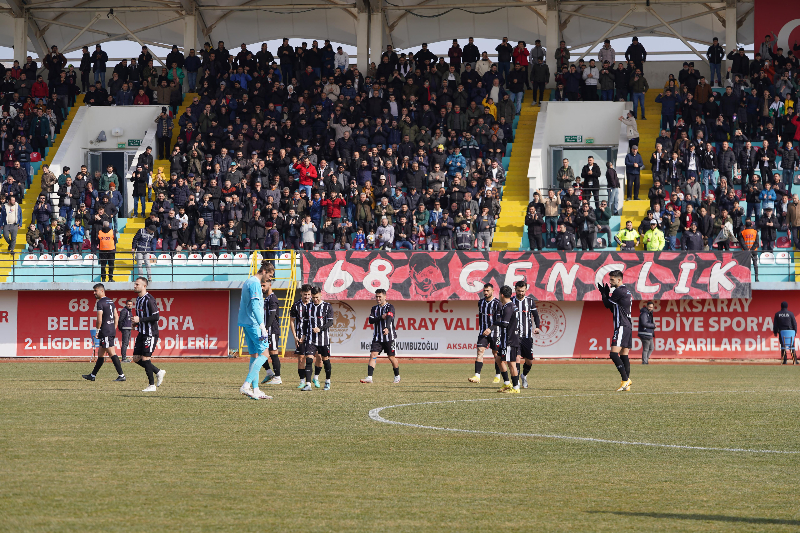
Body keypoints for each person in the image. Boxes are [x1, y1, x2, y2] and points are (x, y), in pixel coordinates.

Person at [236, 262, 272, 400]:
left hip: (246, 322)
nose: (269, 279)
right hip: (253, 323)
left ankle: (256, 389)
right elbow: (256, 307)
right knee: (265, 353)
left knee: (254, 355)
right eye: (269, 275)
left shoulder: (247, 281)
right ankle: (246, 385)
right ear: (263, 271)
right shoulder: (256, 283)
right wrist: (262, 326)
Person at [81, 283, 125, 382]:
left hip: (105, 331)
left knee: (112, 353)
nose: (94, 293)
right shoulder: (111, 301)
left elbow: (99, 320)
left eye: (95, 291)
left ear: (101, 291)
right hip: (109, 330)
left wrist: (98, 330)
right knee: (100, 354)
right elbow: (116, 316)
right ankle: (92, 375)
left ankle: (121, 375)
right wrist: (113, 327)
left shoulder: (100, 302)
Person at [597, 270, 632, 391]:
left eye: (612, 279)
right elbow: (614, 308)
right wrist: (606, 294)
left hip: (621, 325)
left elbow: (607, 304)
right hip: (628, 325)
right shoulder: (626, 291)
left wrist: (604, 294)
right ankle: (626, 383)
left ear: (619, 280)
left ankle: (625, 379)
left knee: (613, 354)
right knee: (624, 355)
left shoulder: (619, 290)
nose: (610, 281)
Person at [132, 277, 166, 393]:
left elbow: (156, 317)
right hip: (141, 332)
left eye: (137, 284)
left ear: (144, 286)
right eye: (135, 284)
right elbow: (139, 318)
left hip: (150, 333)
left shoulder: (149, 299)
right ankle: (158, 371)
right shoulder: (138, 299)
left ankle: (151, 385)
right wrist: (135, 324)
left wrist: (140, 319)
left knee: (146, 358)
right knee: (136, 358)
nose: (134, 286)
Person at [361, 288, 400, 384]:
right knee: (373, 355)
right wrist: (380, 317)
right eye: (377, 296)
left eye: (380, 296)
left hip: (389, 337)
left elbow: (390, 317)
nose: (378, 298)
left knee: (391, 357)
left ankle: (397, 376)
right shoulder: (374, 308)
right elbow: (371, 320)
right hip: (377, 337)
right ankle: (369, 377)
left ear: (385, 296)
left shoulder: (390, 307)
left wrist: (387, 328)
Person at [302, 286, 334, 391]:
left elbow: (330, 322)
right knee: (309, 360)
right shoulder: (308, 307)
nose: (315, 299)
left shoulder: (327, 306)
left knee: (325, 360)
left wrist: (320, 329)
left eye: (316, 297)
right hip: (311, 339)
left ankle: (327, 382)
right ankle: (308, 384)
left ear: (321, 294)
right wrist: (303, 334)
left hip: (323, 339)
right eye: (313, 297)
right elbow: (306, 322)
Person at [468, 283, 500, 384]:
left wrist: (490, 329)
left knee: (496, 354)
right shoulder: (480, 302)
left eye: (488, 291)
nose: (485, 293)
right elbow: (481, 316)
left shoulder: (497, 303)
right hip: (483, 332)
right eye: (484, 291)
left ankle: (498, 375)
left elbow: (499, 319)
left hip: (495, 332)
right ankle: (477, 376)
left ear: (492, 291)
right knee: (480, 351)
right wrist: (482, 329)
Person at [512, 280, 541, 389]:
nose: (521, 293)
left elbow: (536, 316)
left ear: (526, 290)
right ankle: (517, 382)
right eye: (519, 291)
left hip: (527, 336)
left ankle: (523, 376)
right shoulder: (511, 301)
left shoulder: (530, 301)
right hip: (515, 336)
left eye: (523, 291)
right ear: (515, 290)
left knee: (529, 360)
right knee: (517, 358)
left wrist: (537, 327)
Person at [494, 285, 520, 394]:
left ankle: (516, 387)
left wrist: (495, 322)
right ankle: (506, 382)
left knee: (511, 364)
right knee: (498, 359)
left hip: (509, 340)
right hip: (507, 339)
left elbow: (505, 324)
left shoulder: (509, 307)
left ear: (502, 295)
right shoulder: (510, 305)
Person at [290, 284, 313, 389]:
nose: (307, 297)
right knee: (301, 359)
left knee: (317, 358)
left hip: (313, 336)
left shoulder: (314, 304)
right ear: (301, 293)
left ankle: (315, 378)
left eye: (308, 294)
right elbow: (291, 321)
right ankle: (302, 381)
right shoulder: (296, 305)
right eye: (305, 294)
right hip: (300, 336)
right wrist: (295, 336)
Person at [637, 300, 656, 365]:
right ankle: (644, 362)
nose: (650, 308)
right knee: (646, 349)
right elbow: (644, 323)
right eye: (649, 307)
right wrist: (653, 325)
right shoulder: (644, 313)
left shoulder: (648, 313)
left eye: (651, 307)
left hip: (648, 333)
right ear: (647, 306)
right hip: (644, 333)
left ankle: (646, 360)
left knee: (651, 348)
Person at [118, 298, 134, 363]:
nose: (129, 305)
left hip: (129, 329)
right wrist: (121, 328)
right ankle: (123, 358)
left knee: (126, 343)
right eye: (128, 304)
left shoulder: (130, 311)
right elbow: (120, 320)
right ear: (126, 304)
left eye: (130, 304)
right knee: (125, 343)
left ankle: (124, 357)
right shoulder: (124, 311)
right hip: (125, 329)